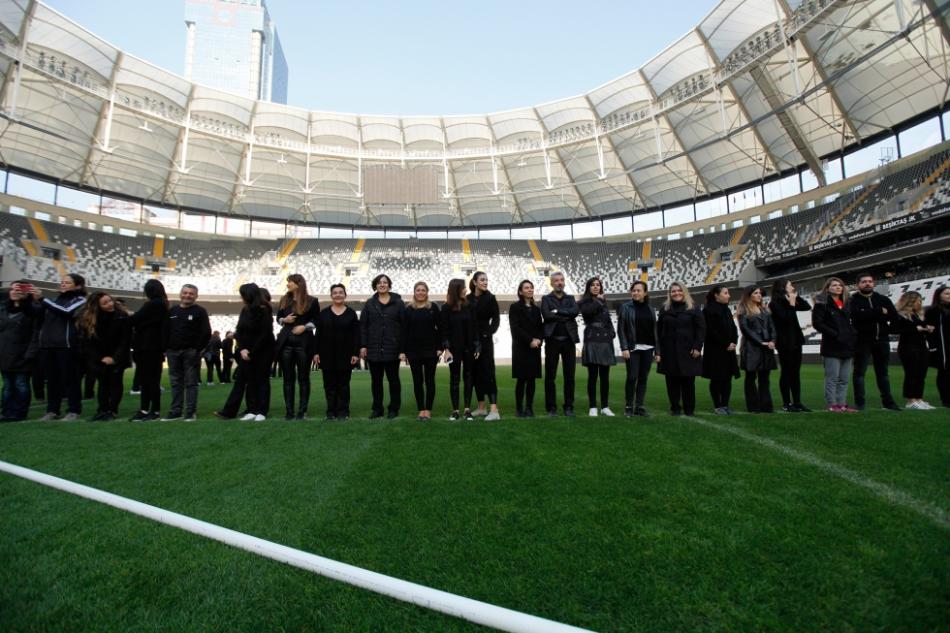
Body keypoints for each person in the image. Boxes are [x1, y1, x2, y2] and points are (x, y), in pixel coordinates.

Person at [215, 283, 274, 421]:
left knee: (262, 380)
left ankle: (262, 411)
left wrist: (251, 352)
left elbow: (265, 334)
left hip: (263, 351)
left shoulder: (265, 310)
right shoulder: (245, 310)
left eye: (242, 295)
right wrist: (242, 349)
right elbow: (239, 330)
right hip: (245, 351)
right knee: (251, 380)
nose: (241, 298)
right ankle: (252, 410)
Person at [35, 273, 87, 421]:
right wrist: (26, 300)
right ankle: (52, 410)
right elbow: (36, 314)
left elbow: (66, 311)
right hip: (48, 345)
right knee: (52, 380)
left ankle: (73, 410)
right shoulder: (54, 300)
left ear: (78, 286)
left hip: (66, 345)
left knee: (70, 379)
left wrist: (42, 299)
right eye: (62, 282)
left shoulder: (80, 300)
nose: (63, 284)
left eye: (67, 282)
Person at [850, 272, 900, 410]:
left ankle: (888, 403)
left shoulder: (883, 299)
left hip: (882, 340)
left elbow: (894, 317)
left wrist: (886, 328)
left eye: (870, 281)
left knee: (883, 373)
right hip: (862, 341)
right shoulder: (852, 300)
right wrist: (878, 311)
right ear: (858, 285)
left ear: (874, 283)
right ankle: (860, 403)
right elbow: (856, 316)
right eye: (864, 281)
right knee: (859, 373)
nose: (867, 283)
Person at [77, 292, 131, 421]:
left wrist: (114, 358)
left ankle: (112, 410)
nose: (110, 304)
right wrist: (100, 358)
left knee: (116, 382)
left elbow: (125, 340)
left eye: (110, 300)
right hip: (99, 357)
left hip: (118, 356)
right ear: (97, 306)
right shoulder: (90, 319)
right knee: (102, 383)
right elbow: (88, 342)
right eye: (105, 303)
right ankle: (102, 409)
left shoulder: (122, 316)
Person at [162, 284, 211, 421]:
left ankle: (190, 411)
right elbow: (165, 330)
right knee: (175, 383)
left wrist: (197, 349)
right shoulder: (172, 311)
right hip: (172, 352)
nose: (187, 295)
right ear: (180, 294)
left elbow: (206, 332)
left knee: (191, 383)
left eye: (191, 293)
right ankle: (176, 411)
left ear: (196, 296)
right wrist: (166, 348)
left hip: (190, 352)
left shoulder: (200, 311)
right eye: (185, 292)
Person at [656, 282, 705, 416]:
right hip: (669, 351)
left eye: (679, 290)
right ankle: (675, 408)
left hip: (688, 350)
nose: (676, 293)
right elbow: (659, 331)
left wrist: (697, 347)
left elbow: (701, 330)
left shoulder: (693, 308)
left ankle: (689, 409)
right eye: (673, 291)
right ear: (669, 294)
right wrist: (658, 350)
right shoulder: (664, 309)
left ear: (684, 292)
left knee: (688, 382)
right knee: (672, 381)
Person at [360, 274, 405, 419]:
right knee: (376, 381)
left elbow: (404, 327)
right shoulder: (369, 304)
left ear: (389, 285)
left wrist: (402, 349)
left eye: (385, 282)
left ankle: (394, 408)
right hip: (374, 348)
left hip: (393, 348)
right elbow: (363, 326)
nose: (382, 284)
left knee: (393, 380)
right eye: (379, 282)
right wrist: (363, 345)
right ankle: (377, 409)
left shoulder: (398, 303)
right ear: (375, 286)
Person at [276, 274, 320, 420]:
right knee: (288, 380)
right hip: (286, 344)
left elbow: (317, 320)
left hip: (304, 344)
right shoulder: (284, 299)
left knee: (303, 378)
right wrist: (284, 319)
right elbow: (278, 318)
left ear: (298, 283)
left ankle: (302, 410)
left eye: (290, 281)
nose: (288, 284)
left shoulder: (312, 301)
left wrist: (304, 327)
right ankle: (289, 411)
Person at [812, 277, 858, 413]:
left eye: (840, 285)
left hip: (848, 345)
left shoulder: (847, 303)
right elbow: (817, 323)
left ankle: (842, 404)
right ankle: (832, 404)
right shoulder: (821, 304)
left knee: (844, 379)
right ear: (827, 288)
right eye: (834, 285)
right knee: (832, 378)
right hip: (832, 346)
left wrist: (852, 334)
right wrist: (835, 334)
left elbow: (853, 321)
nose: (838, 287)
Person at [314, 284, 360, 420]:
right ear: (331, 295)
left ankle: (343, 411)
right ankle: (331, 411)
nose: (338, 295)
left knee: (343, 385)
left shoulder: (351, 313)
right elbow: (318, 334)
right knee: (329, 385)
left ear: (345, 295)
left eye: (341, 292)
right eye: (335, 292)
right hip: (326, 355)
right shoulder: (324, 313)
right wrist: (316, 352)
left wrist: (355, 353)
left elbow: (356, 335)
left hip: (346, 355)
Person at [128, 279, 169, 421]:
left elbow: (134, 320)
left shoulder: (153, 304)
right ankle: (148, 410)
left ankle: (150, 410)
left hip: (147, 347)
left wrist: (126, 313)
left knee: (148, 381)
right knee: (150, 381)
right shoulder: (162, 304)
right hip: (153, 348)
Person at [769, 278, 812, 412]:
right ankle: (786, 403)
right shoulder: (774, 303)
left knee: (795, 372)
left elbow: (807, 306)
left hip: (796, 340)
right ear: (782, 287)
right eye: (790, 285)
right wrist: (792, 304)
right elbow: (786, 319)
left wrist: (796, 297)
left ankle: (797, 402)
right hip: (784, 342)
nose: (792, 286)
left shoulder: (790, 299)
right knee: (787, 372)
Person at [0, 281, 40, 422]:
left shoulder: (33, 310)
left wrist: (30, 354)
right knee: (7, 386)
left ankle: (19, 413)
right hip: (4, 353)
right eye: (12, 289)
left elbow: (35, 334)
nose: (14, 292)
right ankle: (6, 412)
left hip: (23, 354)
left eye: (19, 289)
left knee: (21, 384)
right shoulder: (3, 309)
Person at [403, 282, 442, 421]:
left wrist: (440, 348)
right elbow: (404, 331)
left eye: (423, 290)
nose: (420, 292)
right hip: (413, 351)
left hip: (431, 350)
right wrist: (403, 351)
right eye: (418, 290)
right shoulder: (408, 309)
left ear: (427, 292)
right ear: (414, 292)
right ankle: (421, 410)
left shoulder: (433, 307)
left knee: (430, 381)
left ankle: (428, 410)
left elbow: (440, 328)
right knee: (417, 381)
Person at [541, 271, 578, 417]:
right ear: (551, 283)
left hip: (569, 340)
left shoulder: (571, 298)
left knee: (570, 376)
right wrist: (565, 315)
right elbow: (546, 315)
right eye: (556, 280)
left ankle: (569, 406)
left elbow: (574, 312)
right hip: (552, 340)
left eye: (561, 280)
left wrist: (557, 311)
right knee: (550, 376)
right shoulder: (546, 298)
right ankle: (551, 408)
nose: (559, 283)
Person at [617, 281, 656, 417]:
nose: (635, 293)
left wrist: (657, 350)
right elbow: (621, 328)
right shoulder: (625, 307)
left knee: (643, 378)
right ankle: (629, 406)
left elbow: (654, 330)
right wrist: (624, 347)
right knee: (632, 377)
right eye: (633, 290)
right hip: (632, 348)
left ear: (645, 293)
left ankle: (639, 406)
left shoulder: (651, 309)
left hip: (648, 348)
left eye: (639, 290)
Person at [578, 277, 616, 417]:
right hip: (592, 339)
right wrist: (599, 301)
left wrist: (612, 332)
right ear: (588, 287)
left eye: (598, 285)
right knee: (593, 376)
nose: (595, 287)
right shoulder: (584, 301)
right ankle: (593, 406)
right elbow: (587, 313)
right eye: (593, 285)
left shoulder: (603, 303)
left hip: (605, 340)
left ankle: (605, 406)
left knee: (605, 377)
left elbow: (608, 320)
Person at [737, 285, 777, 414]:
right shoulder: (743, 311)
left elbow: (772, 327)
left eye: (759, 293)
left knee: (765, 378)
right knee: (751, 378)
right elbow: (746, 330)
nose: (759, 295)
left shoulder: (765, 310)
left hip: (766, 347)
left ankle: (766, 406)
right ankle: (753, 406)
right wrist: (761, 342)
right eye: (756, 293)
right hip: (751, 348)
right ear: (749, 295)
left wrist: (772, 341)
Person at [441, 279, 478, 421]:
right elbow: (444, 330)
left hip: (469, 348)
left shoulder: (470, 306)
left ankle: (467, 410)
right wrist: (446, 349)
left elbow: (474, 327)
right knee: (454, 379)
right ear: (456, 290)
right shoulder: (446, 308)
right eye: (463, 288)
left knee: (468, 377)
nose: (465, 290)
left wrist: (477, 345)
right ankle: (455, 410)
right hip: (453, 349)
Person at [893, 291, 935, 409]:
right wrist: (915, 329)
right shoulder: (900, 315)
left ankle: (918, 398)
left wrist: (928, 329)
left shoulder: (918, 315)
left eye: (921, 301)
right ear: (910, 301)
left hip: (922, 346)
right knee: (912, 373)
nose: (920, 303)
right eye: (917, 301)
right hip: (908, 347)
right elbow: (895, 329)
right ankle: (911, 400)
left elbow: (922, 328)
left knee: (921, 374)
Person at [701, 285, 739, 415]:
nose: (729, 295)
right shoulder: (708, 310)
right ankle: (718, 406)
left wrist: (734, 342)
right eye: (725, 293)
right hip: (715, 350)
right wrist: (726, 343)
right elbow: (711, 331)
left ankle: (725, 405)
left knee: (727, 378)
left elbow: (733, 328)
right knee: (717, 378)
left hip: (729, 349)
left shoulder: (727, 309)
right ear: (716, 295)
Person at [469, 272, 501, 421]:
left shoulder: (490, 298)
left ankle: (494, 410)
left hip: (485, 340)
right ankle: (481, 408)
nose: (485, 282)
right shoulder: (467, 299)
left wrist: (488, 333)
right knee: (476, 374)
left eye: (486, 280)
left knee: (489, 373)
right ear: (474, 282)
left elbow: (496, 319)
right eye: (482, 280)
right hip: (471, 341)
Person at [509, 279, 543, 418]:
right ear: (520, 291)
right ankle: (519, 409)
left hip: (535, 348)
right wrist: (530, 340)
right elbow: (515, 328)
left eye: (531, 287)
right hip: (521, 348)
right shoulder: (515, 307)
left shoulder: (537, 309)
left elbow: (540, 327)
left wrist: (539, 339)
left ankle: (529, 408)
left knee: (532, 379)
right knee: (521, 379)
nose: (530, 290)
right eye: (527, 288)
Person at [924, 285, 950, 407]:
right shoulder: (933, 311)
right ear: (939, 296)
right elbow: (929, 330)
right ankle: (946, 399)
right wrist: (933, 346)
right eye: (947, 293)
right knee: (944, 372)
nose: (949, 296)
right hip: (942, 347)